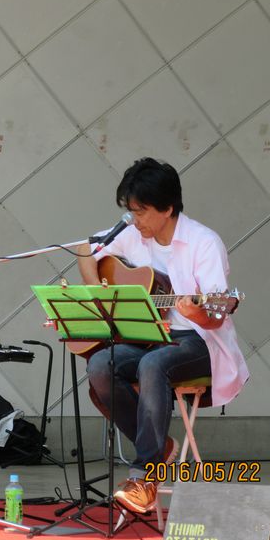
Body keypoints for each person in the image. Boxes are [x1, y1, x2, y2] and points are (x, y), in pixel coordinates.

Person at [78, 158, 249, 514]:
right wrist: (99, 296)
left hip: (200, 342)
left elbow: (215, 317)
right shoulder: (132, 235)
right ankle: (162, 449)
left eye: (141, 211)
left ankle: (144, 476)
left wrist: (196, 312)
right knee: (100, 365)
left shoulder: (204, 242)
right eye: (131, 211)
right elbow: (85, 250)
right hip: (152, 337)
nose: (135, 219)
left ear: (167, 208)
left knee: (154, 365)